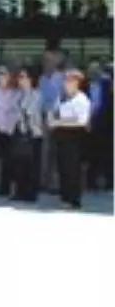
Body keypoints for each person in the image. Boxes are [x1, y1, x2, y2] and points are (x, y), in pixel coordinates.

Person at [48, 70, 90, 210]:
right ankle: (64, 196)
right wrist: (53, 120)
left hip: (75, 137)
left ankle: (74, 199)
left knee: (73, 169)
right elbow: (54, 111)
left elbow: (82, 121)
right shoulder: (61, 97)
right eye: (66, 81)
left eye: (70, 81)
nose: (66, 84)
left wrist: (60, 123)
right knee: (63, 167)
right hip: (61, 136)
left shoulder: (81, 99)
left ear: (77, 83)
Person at [8, 68, 44, 202]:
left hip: (32, 132)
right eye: (19, 77)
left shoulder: (36, 94)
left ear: (31, 79)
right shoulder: (17, 94)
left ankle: (31, 193)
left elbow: (29, 110)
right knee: (18, 163)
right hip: (18, 131)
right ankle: (19, 191)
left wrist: (18, 110)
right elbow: (11, 111)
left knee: (32, 164)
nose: (20, 80)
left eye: (23, 77)